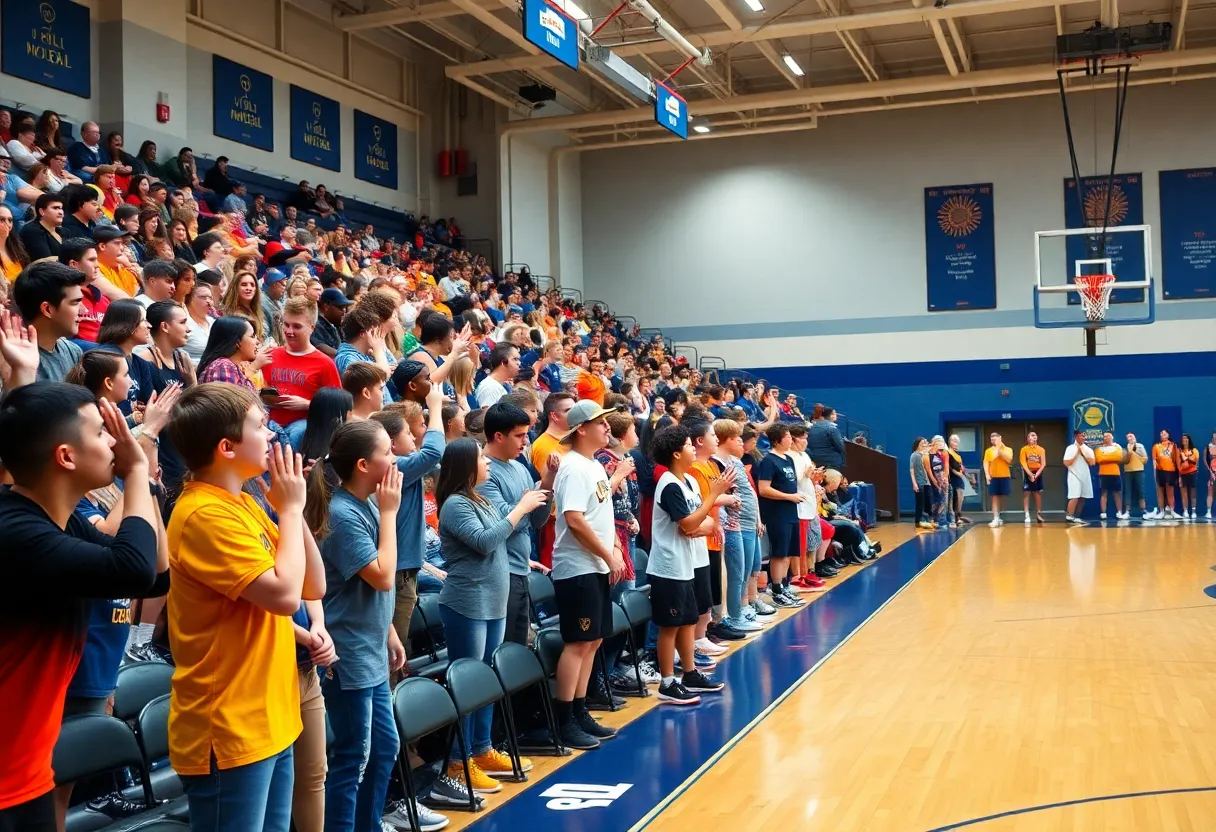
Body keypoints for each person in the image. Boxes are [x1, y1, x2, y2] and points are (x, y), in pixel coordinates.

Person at [0, 375, 165, 830]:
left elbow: (154, 576)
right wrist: (136, 472)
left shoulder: (60, 521)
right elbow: (135, 568)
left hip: (26, 769)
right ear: (65, 456)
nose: (116, 441)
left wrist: (144, 482)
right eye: (99, 431)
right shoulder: (16, 531)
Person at [165, 383, 326, 832]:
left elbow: (313, 585)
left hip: (271, 713)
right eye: (261, 425)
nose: (274, 434)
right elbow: (284, 596)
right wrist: (291, 514)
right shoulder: (204, 514)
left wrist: (287, 511)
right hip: (230, 726)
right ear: (227, 447)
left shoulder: (245, 503)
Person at [305, 420, 406, 832]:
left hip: (369, 646)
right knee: (353, 756)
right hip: (347, 654)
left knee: (384, 749)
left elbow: (373, 587)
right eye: (388, 452)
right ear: (365, 465)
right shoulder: (346, 514)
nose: (396, 458)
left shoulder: (364, 504)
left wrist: (389, 631)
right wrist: (389, 515)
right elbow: (382, 575)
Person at [436, 437, 547, 791]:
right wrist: (520, 509)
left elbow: (498, 538)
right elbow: (484, 542)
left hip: (493, 601)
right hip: (467, 603)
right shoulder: (455, 505)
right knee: (467, 684)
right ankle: (457, 760)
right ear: (466, 467)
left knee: (485, 681)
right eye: (480, 458)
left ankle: (481, 749)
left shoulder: (479, 498)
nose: (486, 462)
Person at [550, 400, 627, 750]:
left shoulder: (593, 466)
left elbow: (601, 516)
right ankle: (564, 719)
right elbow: (575, 519)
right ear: (581, 428)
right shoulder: (573, 468)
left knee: (593, 641)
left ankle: (580, 712)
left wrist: (613, 550)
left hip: (595, 564)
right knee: (578, 642)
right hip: (577, 568)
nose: (607, 428)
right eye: (601, 423)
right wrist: (605, 554)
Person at [647, 423, 731, 706]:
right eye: (687, 445)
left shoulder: (690, 482)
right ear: (675, 452)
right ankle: (668, 681)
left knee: (687, 620)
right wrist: (712, 498)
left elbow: (702, 521)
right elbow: (689, 523)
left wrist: (702, 521)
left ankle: (690, 672)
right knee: (670, 625)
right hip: (668, 567)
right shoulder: (669, 484)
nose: (693, 447)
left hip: (688, 563)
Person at [479, 403, 557, 650]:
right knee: (506, 648)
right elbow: (503, 523)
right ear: (499, 436)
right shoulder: (484, 473)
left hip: (520, 566)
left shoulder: (520, 467)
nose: (526, 442)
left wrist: (547, 483)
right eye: (519, 435)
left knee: (519, 646)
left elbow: (535, 522)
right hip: (500, 572)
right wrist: (524, 505)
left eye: (527, 434)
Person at [264, 297, 341, 428]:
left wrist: (307, 405)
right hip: (269, 429)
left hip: (304, 432)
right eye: (286, 324)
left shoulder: (325, 363)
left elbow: (338, 406)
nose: (289, 331)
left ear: (312, 328)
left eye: (297, 326)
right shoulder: (270, 355)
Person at [753, 423, 805, 609]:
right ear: (777, 440)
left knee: (789, 553)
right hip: (776, 513)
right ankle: (776, 589)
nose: (791, 439)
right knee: (779, 553)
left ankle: (784, 585)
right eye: (788, 436)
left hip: (791, 512)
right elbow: (764, 489)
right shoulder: (768, 461)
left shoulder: (788, 459)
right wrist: (789, 497)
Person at [13, 260, 85, 382]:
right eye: (75, 302)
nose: (84, 310)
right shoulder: (14, 361)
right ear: (47, 309)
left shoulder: (73, 352)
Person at [198, 316, 268, 392]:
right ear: (238, 342)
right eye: (252, 336)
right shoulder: (223, 366)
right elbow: (229, 403)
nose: (257, 342)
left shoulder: (228, 366)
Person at [1063, 431, 1095, 525]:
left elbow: (1092, 463)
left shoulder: (1088, 449)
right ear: (1076, 436)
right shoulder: (1070, 448)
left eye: (1084, 435)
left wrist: (1082, 454)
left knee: (1083, 497)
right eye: (1081, 435)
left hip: (1085, 475)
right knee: (1074, 496)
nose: (1083, 437)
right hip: (1073, 475)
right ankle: (1069, 516)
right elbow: (1066, 463)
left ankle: (1077, 516)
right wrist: (1076, 453)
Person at [982, 432, 1013, 527]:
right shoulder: (988, 451)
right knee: (994, 497)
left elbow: (1009, 459)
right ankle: (995, 518)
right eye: (991, 438)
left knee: (1003, 496)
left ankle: (1000, 515)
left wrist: (999, 451)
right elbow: (986, 463)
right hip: (993, 476)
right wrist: (987, 475)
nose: (993, 440)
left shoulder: (1008, 449)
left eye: (995, 438)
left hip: (1004, 475)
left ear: (1000, 438)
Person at [474, 343, 519, 408]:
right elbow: (487, 416)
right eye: (515, 359)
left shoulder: (502, 384)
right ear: (503, 362)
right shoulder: (490, 388)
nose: (519, 363)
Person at [1094, 432, 1124, 521]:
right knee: (1104, 493)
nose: (1106, 438)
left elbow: (1118, 457)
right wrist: (1111, 457)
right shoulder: (1099, 449)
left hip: (1115, 473)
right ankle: (1103, 513)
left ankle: (1119, 512)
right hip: (1103, 473)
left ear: (1112, 438)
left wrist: (1105, 457)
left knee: (1117, 493)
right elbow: (1099, 459)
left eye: (1108, 436)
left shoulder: (1117, 447)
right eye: (1104, 437)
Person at [1149, 430, 1178, 520]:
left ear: (1168, 435)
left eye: (1164, 433)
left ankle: (1172, 511)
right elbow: (1154, 459)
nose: (1162, 435)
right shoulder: (1156, 446)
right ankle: (1161, 511)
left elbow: (1176, 459)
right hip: (1160, 471)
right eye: (1161, 433)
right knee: (1160, 491)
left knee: (1170, 492)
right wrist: (1155, 469)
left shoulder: (1173, 445)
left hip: (1171, 471)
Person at [1019, 431, 1047, 524]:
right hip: (1028, 471)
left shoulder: (1041, 449)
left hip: (1038, 472)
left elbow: (1043, 463)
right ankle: (1026, 514)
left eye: (1035, 435)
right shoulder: (1024, 449)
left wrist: (1037, 474)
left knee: (1037, 492)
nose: (1033, 437)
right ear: (1027, 439)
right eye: (1031, 435)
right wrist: (1030, 474)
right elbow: (1023, 462)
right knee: (1027, 492)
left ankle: (1039, 513)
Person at [1123, 432, 1149, 520]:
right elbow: (1124, 460)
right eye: (1128, 437)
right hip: (1128, 471)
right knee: (1128, 491)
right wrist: (1128, 454)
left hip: (1139, 470)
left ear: (1135, 437)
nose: (1129, 438)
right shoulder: (1125, 447)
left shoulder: (1140, 446)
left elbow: (1145, 459)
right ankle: (1127, 511)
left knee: (1141, 491)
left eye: (1131, 436)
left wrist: (1135, 454)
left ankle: (1144, 510)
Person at [910, 437, 934, 531]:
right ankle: (918, 521)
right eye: (922, 442)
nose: (924, 443)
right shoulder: (915, 455)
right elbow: (912, 470)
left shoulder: (924, 455)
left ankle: (926, 520)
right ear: (918, 444)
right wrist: (914, 483)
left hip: (927, 482)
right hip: (920, 482)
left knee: (927, 502)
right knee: (920, 503)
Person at [1178, 433, 1200, 520]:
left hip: (1192, 473)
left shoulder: (1194, 450)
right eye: (1183, 439)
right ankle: (1185, 511)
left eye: (1186, 438)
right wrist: (1180, 474)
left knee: (1193, 493)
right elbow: (1179, 464)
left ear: (1189, 440)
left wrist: (1186, 458)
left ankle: (1194, 511)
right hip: (1183, 474)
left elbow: (1195, 460)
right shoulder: (1179, 451)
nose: (1185, 440)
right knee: (1184, 494)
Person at [1206, 432, 1216, 520]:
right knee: (1210, 491)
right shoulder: (1208, 447)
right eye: (1214, 437)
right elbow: (1204, 459)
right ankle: (1208, 511)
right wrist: (1210, 470)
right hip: (1212, 473)